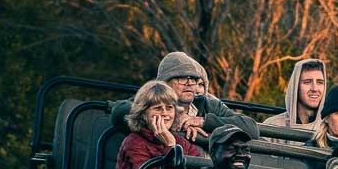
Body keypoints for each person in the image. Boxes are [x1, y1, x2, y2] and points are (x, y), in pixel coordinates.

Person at [109, 51, 254, 144]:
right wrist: (172, 117)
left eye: (194, 78)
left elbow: (251, 127)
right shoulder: (151, 99)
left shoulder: (208, 105)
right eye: (182, 78)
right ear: (164, 82)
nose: (190, 83)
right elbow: (119, 111)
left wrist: (201, 121)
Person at [115, 80, 202, 169]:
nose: (165, 113)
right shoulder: (133, 143)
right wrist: (171, 147)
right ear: (144, 113)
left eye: (169, 108)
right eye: (158, 108)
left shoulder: (180, 141)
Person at [261, 57, 326, 129]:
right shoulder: (273, 125)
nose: (315, 89)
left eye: (320, 82)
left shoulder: (330, 128)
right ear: (295, 87)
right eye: (307, 82)